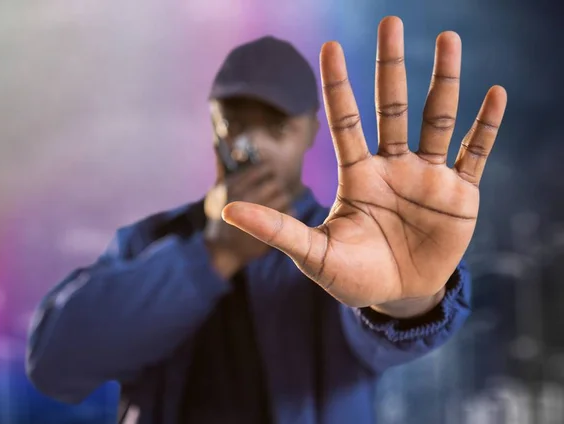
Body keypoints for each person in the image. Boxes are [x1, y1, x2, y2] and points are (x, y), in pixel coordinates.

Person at [26, 16, 507, 424]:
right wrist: (212, 255)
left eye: (276, 125)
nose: (251, 145)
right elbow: (55, 363)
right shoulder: (147, 241)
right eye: (235, 122)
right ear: (212, 124)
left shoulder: (345, 238)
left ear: (309, 133)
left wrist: (407, 297)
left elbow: (380, 337)